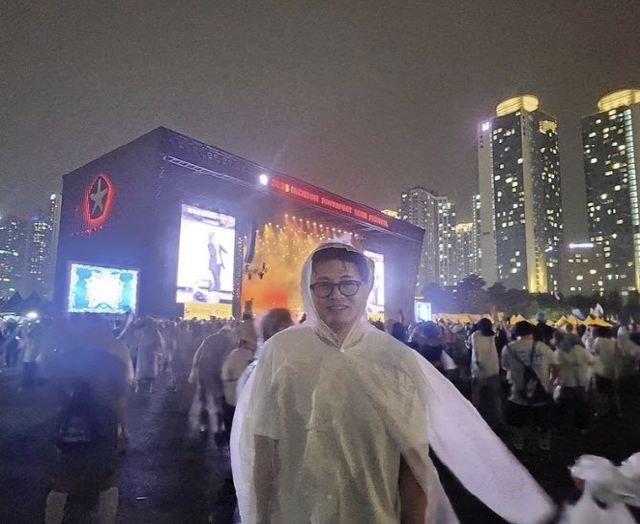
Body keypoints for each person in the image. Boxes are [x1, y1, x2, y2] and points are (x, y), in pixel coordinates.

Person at [232, 242, 554, 524]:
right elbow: (264, 445)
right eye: (323, 285)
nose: (337, 295)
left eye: (348, 284)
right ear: (308, 289)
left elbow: (412, 463)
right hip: (295, 513)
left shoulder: (394, 359)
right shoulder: (282, 352)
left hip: (373, 513)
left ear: (365, 287)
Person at [42, 317, 129, 524]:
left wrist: (67, 407)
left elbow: (54, 388)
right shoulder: (113, 363)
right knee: (107, 479)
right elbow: (119, 400)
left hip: (72, 424)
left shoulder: (66, 359)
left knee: (63, 478)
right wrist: (124, 429)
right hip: (104, 424)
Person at [501, 320, 558, 452]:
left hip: (518, 392)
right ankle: (544, 444)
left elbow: (505, 366)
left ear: (515, 332)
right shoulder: (543, 347)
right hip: (541, 391)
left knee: (517, 422)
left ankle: (519, 443)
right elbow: (556, 367)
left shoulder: (508, 348)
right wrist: (551, 383)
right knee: (543, 421)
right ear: (532, 331)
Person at [220, 321, 257, 435]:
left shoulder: (235, 354)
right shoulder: (250, 356)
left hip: (232, 399)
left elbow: (225, 374)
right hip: (242, 403)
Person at [553, 329, 593, 434]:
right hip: (580, 382)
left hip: (566, 382)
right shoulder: (580, 350)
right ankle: (582, 427)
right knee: (581, 405)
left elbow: (555, 367)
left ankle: (560, 426)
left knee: (563, 406)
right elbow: (591, 361)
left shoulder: (559, 351)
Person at [470, 318, 502, 431]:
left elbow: (474, 349)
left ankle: (474, 417)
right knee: (495, 396)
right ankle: (498, 419)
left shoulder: (475, 335)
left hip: (479, 370)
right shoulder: (492, 335)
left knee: (476, 394)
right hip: (493, 368)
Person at [591, 326, 622, 418]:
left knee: (601, 392)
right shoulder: (614, 341)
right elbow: (618, 355)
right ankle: (617, 411)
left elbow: (593, 353)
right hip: (611, 370)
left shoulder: (598, 341)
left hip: (600, 370)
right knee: (613, 392)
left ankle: (602, 411)